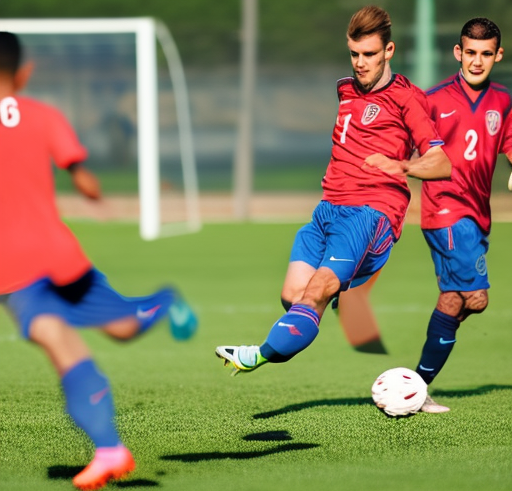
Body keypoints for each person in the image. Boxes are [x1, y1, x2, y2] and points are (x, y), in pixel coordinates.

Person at [0, 32, 197, 491]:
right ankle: (162, 304)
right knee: (121, 328)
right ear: (24, 74)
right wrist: (92, 192)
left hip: (13, 268)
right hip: (58, 253)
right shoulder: (44, 115)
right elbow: (83, 178)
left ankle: (110, 449)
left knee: (58, 340)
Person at [215, 7, 451, 378]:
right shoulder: (344, 89)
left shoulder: (408, 98)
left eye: (369, 55)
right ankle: (343, 289)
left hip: (369, 215)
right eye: (354, 54)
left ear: (389, 51)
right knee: (293, 297)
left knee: (315, 294)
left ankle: (255, 355)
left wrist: (403, 166)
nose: (360, 63)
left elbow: (441, 163)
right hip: (327, 211)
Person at [413, 18, 512, 413]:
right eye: (470, 52)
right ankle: (415, 383)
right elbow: (410, 148)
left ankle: (414, 386)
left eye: (485, 54)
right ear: (458, 52)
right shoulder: (433, 100)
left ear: (498, 56)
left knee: (455, 300)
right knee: (477, 297)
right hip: (446, 209)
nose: (476, 61)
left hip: (476, 214)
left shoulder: (503, 100)